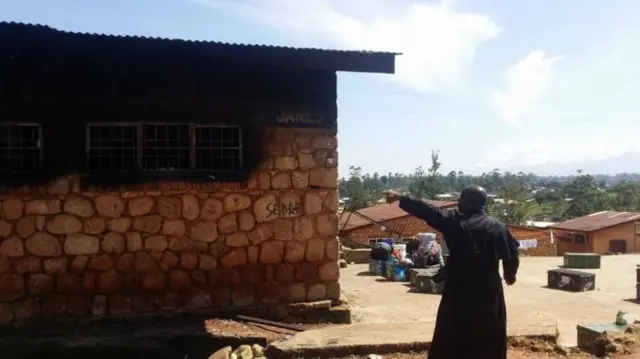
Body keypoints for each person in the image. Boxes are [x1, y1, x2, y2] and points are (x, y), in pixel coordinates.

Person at [384, 186, 520, 359]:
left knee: (452, 330)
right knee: (489, 330)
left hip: (459, 288)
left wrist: (400, 198)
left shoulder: (454, 222)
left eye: (461, 200)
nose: (458, 203)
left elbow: (427, 211)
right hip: (489, 291)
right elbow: (512, 252)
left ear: (466, 202)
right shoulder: (499, 227)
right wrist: (511, 273)